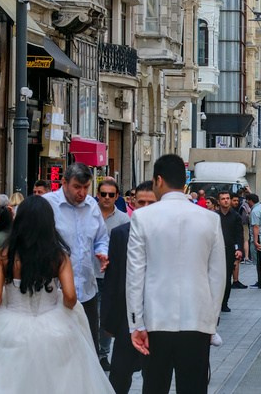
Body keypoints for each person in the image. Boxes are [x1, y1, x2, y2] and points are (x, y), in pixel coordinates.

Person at [0, 196, 115, 393]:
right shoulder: (58, 255)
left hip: (9, 326)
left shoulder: (4, 254)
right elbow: (71, 297)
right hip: (53, 324)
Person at [126, 155, 225, 394]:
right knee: (194, 387)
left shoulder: (142, 217)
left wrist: (136, 323)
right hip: (197, 321)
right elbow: (218, 275)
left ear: (158, 180)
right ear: (184, 182)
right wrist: (210, 321)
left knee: (154, 386)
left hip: (155, 320)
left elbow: (135, 274)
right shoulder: (210, 219)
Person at [44, 162, 109, 351]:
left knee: (89, 348)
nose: (82, 193)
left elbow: (101, 238)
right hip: (55, 293)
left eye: (86, 187)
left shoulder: (92, 207)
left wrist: (102, 252)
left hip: (87, 289)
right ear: (64, 183)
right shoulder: (48, 204)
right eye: (77, 187)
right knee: (60, 350)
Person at [102, 181, 156, 394]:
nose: (144, 207)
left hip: (155, 316)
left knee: (152, 374)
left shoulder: (166, 235)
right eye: (140, 202)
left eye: (150, 203)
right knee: (119, 373)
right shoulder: (120, 234)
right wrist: (108, 319)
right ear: (132, 202)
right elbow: (112, 279)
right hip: (127, 316)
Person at [95, 178, 131, 371]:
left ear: (117, 196)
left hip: (113, 277)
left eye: (111, 195)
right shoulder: (90, 216)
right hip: (91, 275)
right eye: (103, 194)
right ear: (98, 195)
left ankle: (102, 354)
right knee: (91, 317)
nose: (106, 198)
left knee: (105, 317)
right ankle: (91, 352)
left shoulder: (124, 219)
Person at [217, 191, 245, 312]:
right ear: (219, 201)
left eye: (227, 198)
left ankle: (224, 303)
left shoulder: (235, 216)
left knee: (227, 277)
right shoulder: (214, 216)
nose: (226, 200)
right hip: (216, 250)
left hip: (229, 251)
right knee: (216, 277)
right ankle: (215, 303)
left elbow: (239, 234)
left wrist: (239, 249)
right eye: (223, 199)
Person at [247, 193, 261, 289]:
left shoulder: (255, 211)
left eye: (247, 201)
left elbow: (255, 226)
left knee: (259, 261)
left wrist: (255, 241)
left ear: (250, 201)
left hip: (259, 238)